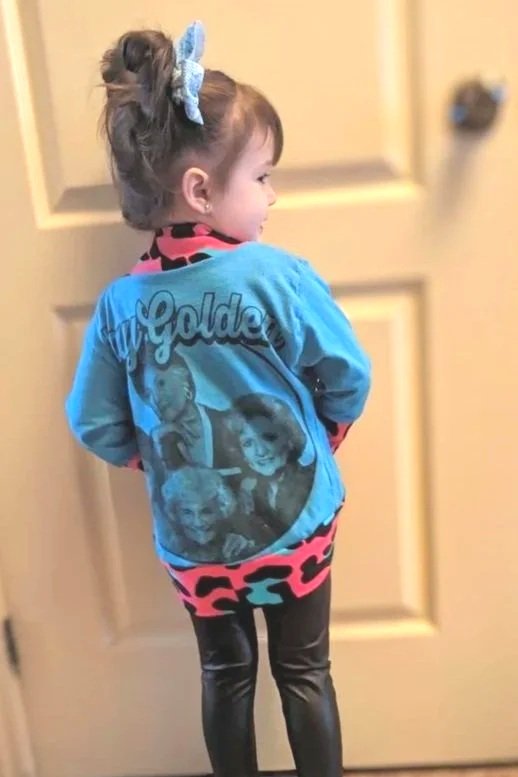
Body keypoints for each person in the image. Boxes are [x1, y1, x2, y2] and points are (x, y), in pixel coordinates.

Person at [65, 20, 371, 777]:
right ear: (202, 191)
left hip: (198, 544)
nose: (273, 194)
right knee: (305, 671)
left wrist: (157, 458)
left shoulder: (120, 307)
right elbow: (349, 374)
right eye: (263, 177)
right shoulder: (278, 276)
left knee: (224, 676)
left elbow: (94, 421)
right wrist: (321, 434)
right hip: (296, 525)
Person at [224, 393, 316, 537]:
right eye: (248, 443)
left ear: (289, 438)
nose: (260, 451)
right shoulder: (245, 492)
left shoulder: (312, 481)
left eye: (269, 438)